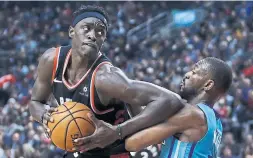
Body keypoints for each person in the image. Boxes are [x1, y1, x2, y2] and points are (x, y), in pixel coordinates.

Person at [29, 5, 183, 158]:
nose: (93, 35)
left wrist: (118, 131)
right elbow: (35, 102)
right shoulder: (51, 61)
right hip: (81, 150)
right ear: (71, 31)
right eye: (86, 28)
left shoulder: (106, 78)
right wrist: (44, 116)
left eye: (100, 31)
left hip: (115, 150)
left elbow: (171, 100)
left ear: (103, 39)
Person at [83, 57, 232, 157]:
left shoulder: (192, 114)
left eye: (194, 72)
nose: (187, 74)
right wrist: (128, 97)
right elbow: (149, 130)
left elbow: (133, 143)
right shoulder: (215, 122)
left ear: (208, 84)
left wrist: (97, 144)